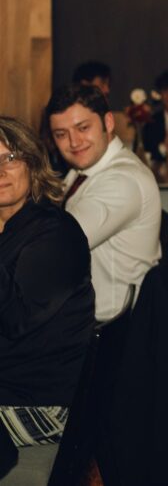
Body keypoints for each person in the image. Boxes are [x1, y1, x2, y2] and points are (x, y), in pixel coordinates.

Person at [0, 117, 94, 448]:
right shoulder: (8, 229)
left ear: (32, 163)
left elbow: (15, 320)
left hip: (41, 403)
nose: (0, 173)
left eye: (9, 159)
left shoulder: (56, 235)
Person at [46, 84, 161, 321]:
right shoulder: (84, 169)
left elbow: (57, 246)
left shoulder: (122, 180)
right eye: (61, 134)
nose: (74, 142)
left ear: (108, 123)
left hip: (106, 327)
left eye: (83, 128)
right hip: (79, 307)